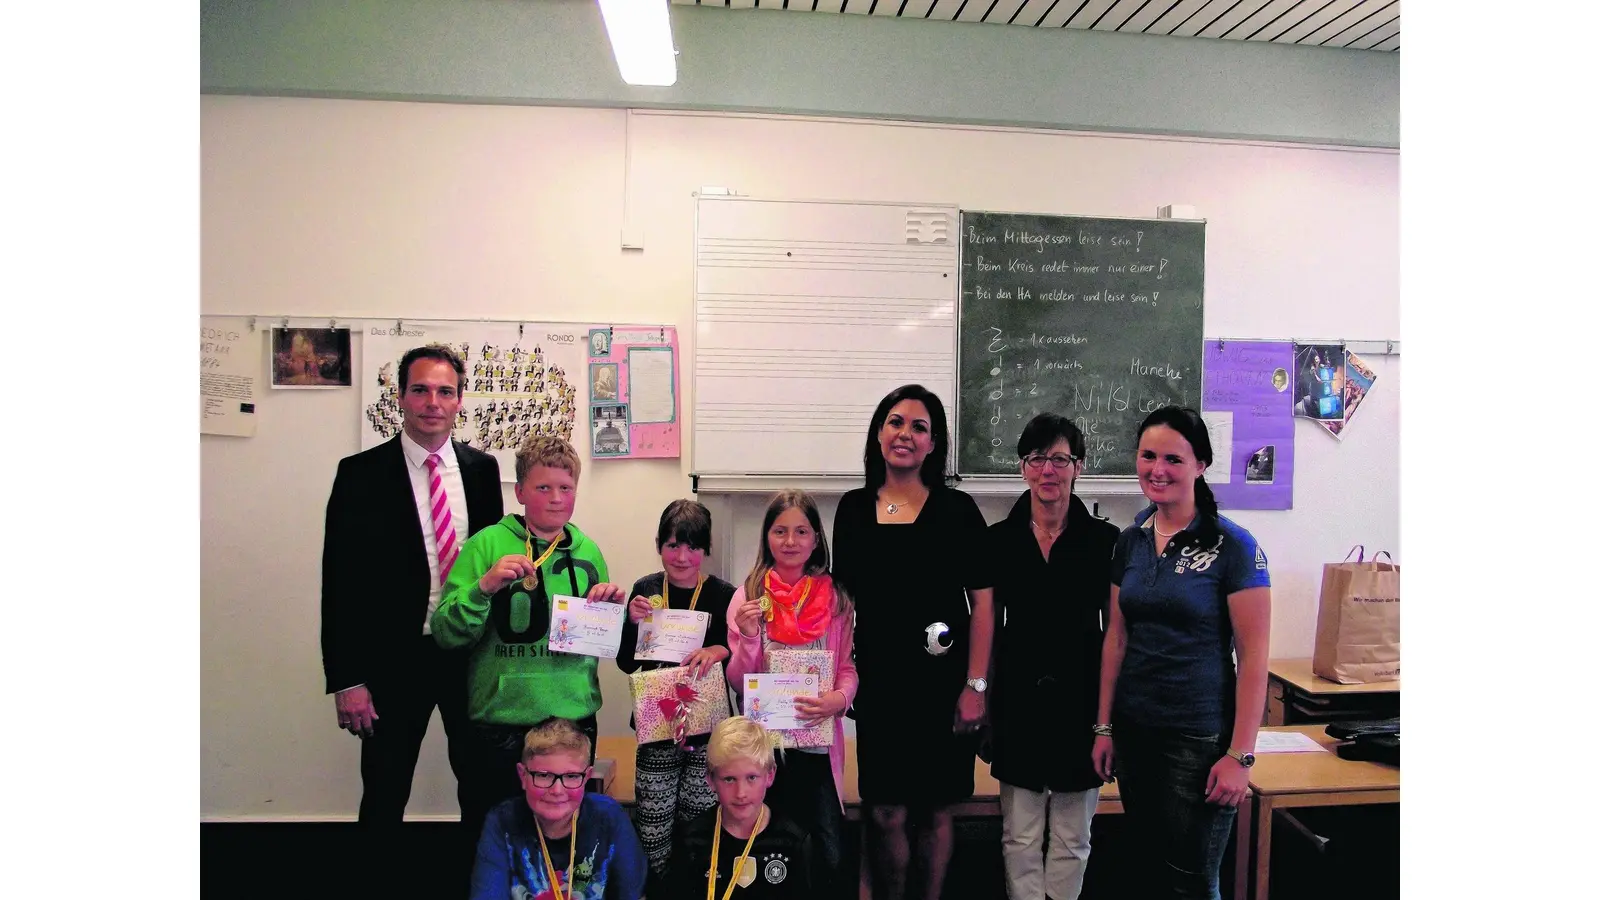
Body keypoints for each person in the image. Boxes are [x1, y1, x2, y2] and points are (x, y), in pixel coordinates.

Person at [320, 343, 504, 890]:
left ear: (459, 401)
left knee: (480, 786)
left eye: (444, 391)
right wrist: (347, 679)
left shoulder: (482, 470)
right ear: (400, 397)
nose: (432, 402)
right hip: (391, 660)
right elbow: (340, 584)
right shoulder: (359, 474)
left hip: (468, 654)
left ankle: (483, 885)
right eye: (420, 389)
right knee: (384, 788)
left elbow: (492, 568)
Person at [1090, 407, 1273, 900]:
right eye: (1148, 455)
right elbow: (1116, 639)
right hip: (1134, 734)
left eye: (1173, 458)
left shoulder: (1233, 546)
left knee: (1191, 881)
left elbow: (1254, 658)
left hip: (1198, 738)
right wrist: (1104, 727)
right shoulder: (1130, 542)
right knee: (1147, 870)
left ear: (1201, 465)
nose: (1158, 469)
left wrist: (1240, 755)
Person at [830, 384, 993, 900]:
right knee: (884, 810)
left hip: (943, 687)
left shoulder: (959, 510)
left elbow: (985, 604)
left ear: (932, 444)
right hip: (880, 687)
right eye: (896, 422)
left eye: (919, 427)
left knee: (936, 808)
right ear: (880, 435)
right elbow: (840, 602)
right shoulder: (853, 510)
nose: (906, 434)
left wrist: (976, 685)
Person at [431, 435, 627, 855]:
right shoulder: (486, 545)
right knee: (493, 842)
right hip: (502, 725)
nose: (556, 499)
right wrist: (483, 587)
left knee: (565, 846)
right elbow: (447, 632)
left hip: (572, 718)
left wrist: (613, 611)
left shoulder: (588, 550)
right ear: (519, 491)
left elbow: (599, 644)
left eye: (566, 488)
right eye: (543, 488)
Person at [987, 414, 1119, 900]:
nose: (1048, 470)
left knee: (1072, 836)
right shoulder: (998, 541)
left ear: (1078, 467)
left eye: (1060, 459)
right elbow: (987, 625)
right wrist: (981, 695)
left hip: (1081, 704)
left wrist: (1106, 723)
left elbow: (1115, 637)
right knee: (1018, 835)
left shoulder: (1106, 543)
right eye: (1037, 458)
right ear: (1023, 468)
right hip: (1016, 702)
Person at [725, 489, 858, 900]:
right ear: (767, 536)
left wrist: (840, 699)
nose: (790, 541)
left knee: (829, 852)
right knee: (770, 851)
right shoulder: (748, 594)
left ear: (817, 538)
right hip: (765, 753)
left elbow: (848, 667)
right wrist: (748, 638)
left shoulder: (835, 597)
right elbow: (737, 681)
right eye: (780, 531)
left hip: (817, 750)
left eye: (801, 531)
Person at [615, 500, 738, 883]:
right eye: (672, 545)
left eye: (693, 547)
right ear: (658, 545)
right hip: (656, 727)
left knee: (698, 824)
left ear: (706, 549)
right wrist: (631, 623)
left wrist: (721, 649)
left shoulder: (725, 594)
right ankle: (655, 889)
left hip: (706, 729)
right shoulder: (645, 590)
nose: (683, 556)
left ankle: (693, 890)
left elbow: (740, 661)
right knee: (652, 827)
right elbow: (625, 662)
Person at [469, 718, 648, 900]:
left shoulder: (609, 817)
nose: (557, 790)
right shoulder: (502, 822)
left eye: (571, 776)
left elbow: (632, 894)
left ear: (586, 778)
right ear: (523, 776)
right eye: (544, 775)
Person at [662, 716, 816, 898]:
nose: (741, 793)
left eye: (751, 777)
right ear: (710, 780)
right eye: (729, 779)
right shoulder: (692, 840)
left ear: (769, 775)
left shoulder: (794, 841)